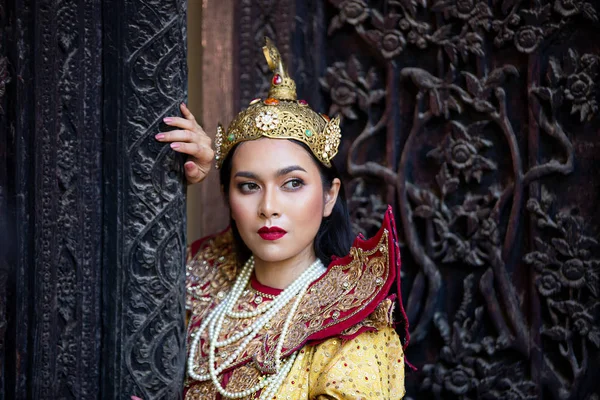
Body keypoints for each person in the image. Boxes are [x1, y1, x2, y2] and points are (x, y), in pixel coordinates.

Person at [155, 38, 409, 399]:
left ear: (329, 196)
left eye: (292, 183)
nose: (268, 206)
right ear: (227, 194)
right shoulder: (200, 284)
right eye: (248, 186)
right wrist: (170, 183)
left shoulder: (354, 328)